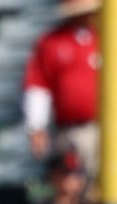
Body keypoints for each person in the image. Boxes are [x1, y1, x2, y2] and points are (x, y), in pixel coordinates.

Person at [24, 0, 100, 180]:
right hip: (70, 129)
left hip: (106, 126)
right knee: (74, 183)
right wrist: (37, 127)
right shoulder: (52, 42)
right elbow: (39, 86)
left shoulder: (106, 38)